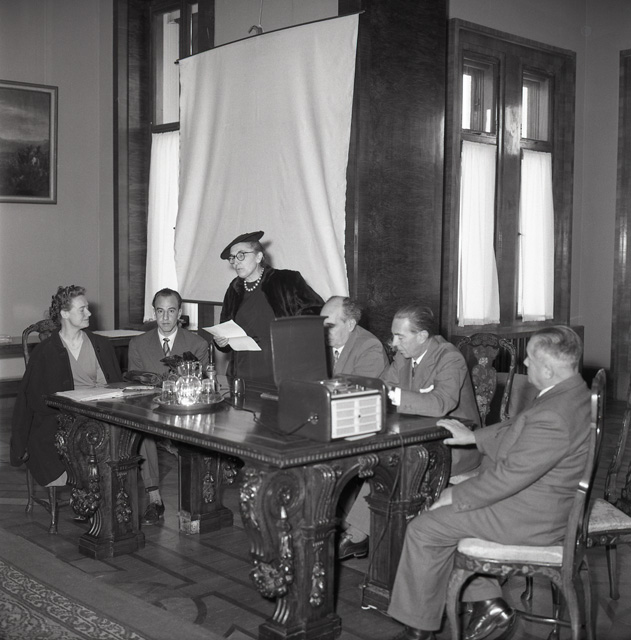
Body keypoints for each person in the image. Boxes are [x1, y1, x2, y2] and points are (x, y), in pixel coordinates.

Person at [386, 326, 591, 640]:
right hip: (537, 501)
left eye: (530, 360)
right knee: (446, 515)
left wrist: (457, 496)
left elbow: (509, 477)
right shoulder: (571, 392)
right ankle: (488, 603)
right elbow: (520, 426)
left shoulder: (554, 417)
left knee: (424, 529)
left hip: (531, 516)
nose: (525, 364)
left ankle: (418, 631)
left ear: (548, 370)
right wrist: (473, 437)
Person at [339, 302, 481, 560]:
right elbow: (382, 386)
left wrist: (391, 395)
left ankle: (363, 537)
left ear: (423, 336)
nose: (393, 343)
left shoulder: (450, 358)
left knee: (389, 463)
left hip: (454, 447)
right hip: (416, 439)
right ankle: (368, 537)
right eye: (393, 335)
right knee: (381, 459)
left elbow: (440, 403)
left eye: (400, 337)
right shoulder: (403, 357)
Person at [10, 285, 122, 487]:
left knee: (118, 451)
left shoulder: (101, 345)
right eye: (82, 309)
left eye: (88, 308)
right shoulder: (44, 352)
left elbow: (114, 388)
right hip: (59, 423)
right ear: (64, 313)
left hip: (99, 418)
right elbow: (31, 401)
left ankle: (99, 493)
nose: (89, 313)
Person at [127, 288, 209, 525]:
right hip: (151, 410)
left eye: (171, 311)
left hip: (185, 412)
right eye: (160, 311)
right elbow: (136, 385)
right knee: (141, 433)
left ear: (179, 313)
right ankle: (154, 498)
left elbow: (199, 386)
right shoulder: (138, 344)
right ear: (154, 312)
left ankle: (198, 499)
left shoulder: (197, 344)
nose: (165, 318)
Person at [216, 230, 323, 385]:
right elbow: (225, 330)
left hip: (282, 372)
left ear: (258, 256)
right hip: (242, 372)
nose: (235, 262)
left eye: (241, 255)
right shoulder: (234, 288)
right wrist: (221, 342)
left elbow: (315, 314)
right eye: (232, 258)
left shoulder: (286, 280)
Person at [320, 296, 389, 378]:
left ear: (350, 324)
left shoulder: (370, 347)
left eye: (330, 326)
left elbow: (356, 385)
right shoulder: (318, 344)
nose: (323, 331)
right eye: (320, 324)